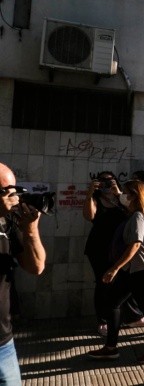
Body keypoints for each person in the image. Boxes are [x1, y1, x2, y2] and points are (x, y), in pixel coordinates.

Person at [87, 180, 144, 363]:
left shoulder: (139, 216)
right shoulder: (136, 215)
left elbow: (135, 244)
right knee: (113, 303)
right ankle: (111, 347)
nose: (123, 195)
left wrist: (114, 268)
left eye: (126, 193)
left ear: (135, 196)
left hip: (143, 269)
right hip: (136, 270)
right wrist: (115, 195)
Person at [82, 171, 144, 337]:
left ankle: (132, 316)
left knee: (125, 282)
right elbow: (89, 216)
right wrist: (90, 193)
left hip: (120, 248)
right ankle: (103, 321)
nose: (107, 185)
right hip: (99, 248)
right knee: (103, 283)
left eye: (110, 181)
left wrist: (118, 192)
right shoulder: (95, 199)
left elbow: (135, 211)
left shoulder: (121, 199)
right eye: (103, 181)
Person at [0, 162, 46, 383]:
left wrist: (31, 229)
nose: (14, 197)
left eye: (15, 190)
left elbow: (36, 266)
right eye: (6, 191)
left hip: (3, 340)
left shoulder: (8, 223)